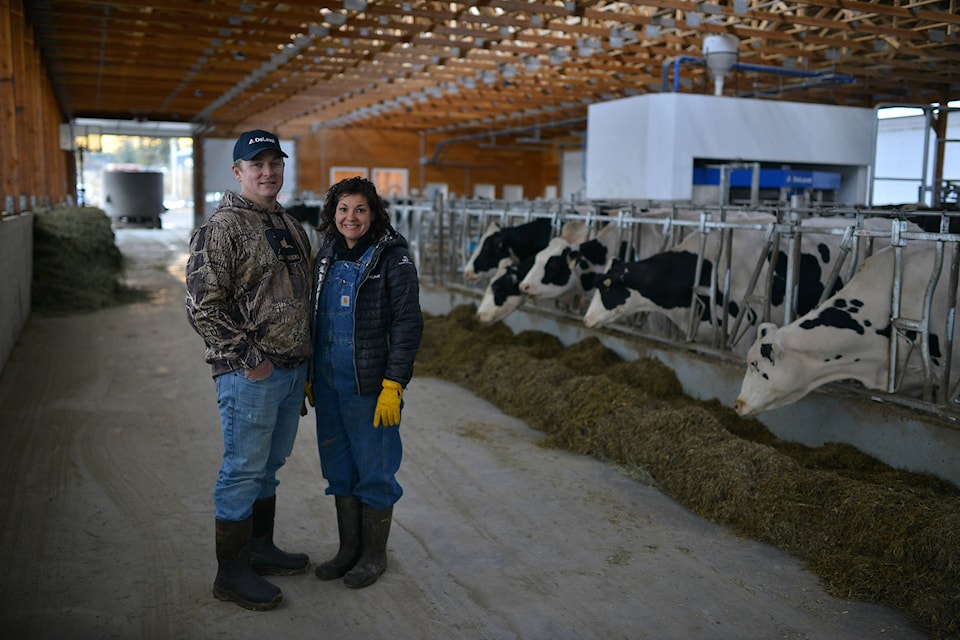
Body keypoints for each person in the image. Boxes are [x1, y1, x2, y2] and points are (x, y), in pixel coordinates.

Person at [185, 129, 313, 611]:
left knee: (268, 468)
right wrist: (250, 360)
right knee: (242, 470)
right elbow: (201, 306)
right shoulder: (222, 228)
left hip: (290, 371)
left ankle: (259, 549)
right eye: (256, 164)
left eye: (274, 163)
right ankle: (230, 573)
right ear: (237, 171)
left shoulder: (288, 223)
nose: (267, 172)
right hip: (251, 374)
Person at [310, 176, 423, 589]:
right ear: (332, 214)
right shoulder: (325, 254)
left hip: (369, 384)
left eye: (360, 209)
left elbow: (408, 322)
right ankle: (348, 550)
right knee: (339, 467)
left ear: (373, 214)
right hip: (327, 381)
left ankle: (374, 556)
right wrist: (309, 373)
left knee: (374, 470)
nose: (350, 217)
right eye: (343, 209)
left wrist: (394, 383)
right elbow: (314, 316)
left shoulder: (392, 257)